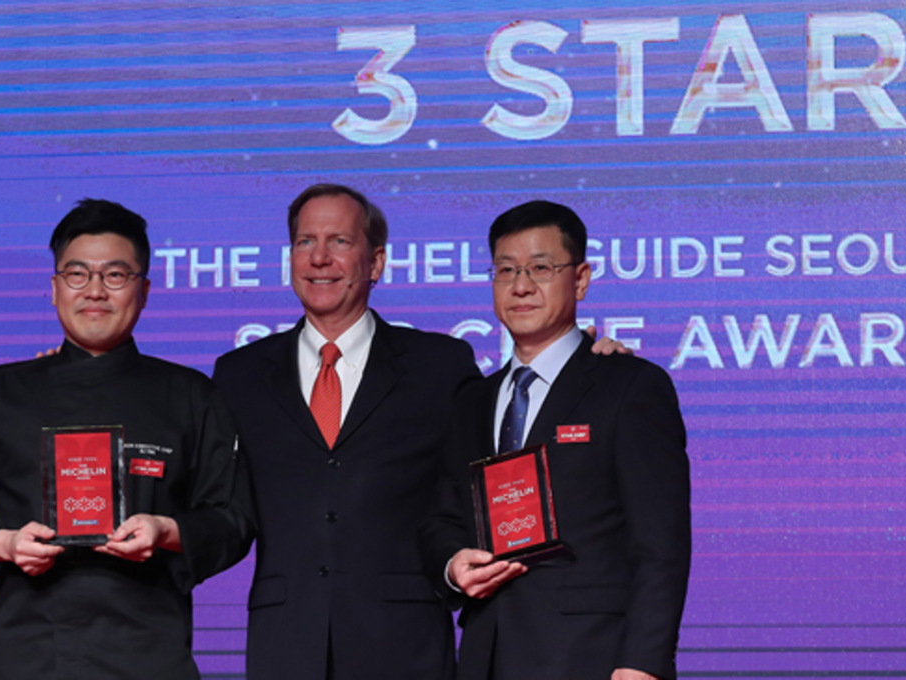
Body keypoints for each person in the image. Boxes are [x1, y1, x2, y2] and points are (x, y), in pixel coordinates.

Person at [213, 184, 627, 680]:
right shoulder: (239, 375)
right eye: (305, 242)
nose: (320, 258)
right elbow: (223, 505)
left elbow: (510, 449)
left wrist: (589, 368)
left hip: (404, 643)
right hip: (285, 643)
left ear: (376, 262)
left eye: (340, 242)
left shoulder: (439, 366)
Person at [420, 200, 692, 680]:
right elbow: (443, 515)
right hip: (488, 654)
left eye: (541, 268)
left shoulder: (628, 386)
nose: (521, 286)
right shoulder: (472, 401)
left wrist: (642, 664)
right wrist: (452, 564)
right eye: (506, 270)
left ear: (581, 279)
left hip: (592, 657)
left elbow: (661, 544)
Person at [0, 199, 255, 679]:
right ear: (54, 288)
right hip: (23, 652)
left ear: (145, 289)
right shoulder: (1, 393)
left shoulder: (190, 395)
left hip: (149, 654)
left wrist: (166, 531)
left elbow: (234, 520)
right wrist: (4, 543)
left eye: (115, 275)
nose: (95, 291)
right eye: (77, 274)